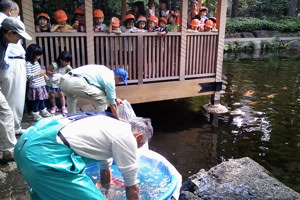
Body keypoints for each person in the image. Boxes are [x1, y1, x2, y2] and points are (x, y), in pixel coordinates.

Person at [14, 112, 153, 200]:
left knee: (49, 193)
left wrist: (105, 192)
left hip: (26, 144)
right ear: (138, 136)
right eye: (139, 146)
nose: (136, 150)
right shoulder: (126, 138)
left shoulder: (111, 125)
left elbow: (105, 168)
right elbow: (132, 187)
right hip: (43, 155)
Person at [0, 17, 32, 163]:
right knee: (6, 112)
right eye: (18, 35)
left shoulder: (4, 42)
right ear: (8, 33)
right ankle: (9, 150)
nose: (19, 38)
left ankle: (7, 148)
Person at [52, 65, 128, 120]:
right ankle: (100, 120)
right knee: (102, 98)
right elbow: (112, 104)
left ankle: (71, 119)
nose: (119, 83)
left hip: (64, 80)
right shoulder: (110, 80)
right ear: (117, 76)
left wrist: (116, 99)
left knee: (71, 98)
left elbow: (101, 90)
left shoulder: (104, 70)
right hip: (76, 82)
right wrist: (118, 118)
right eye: (121, 80)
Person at [0, 1, 26, 136]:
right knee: (11, 101)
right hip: (12, 63)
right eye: (17, 13)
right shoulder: (6, 22)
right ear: (10, 10)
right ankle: (13, 130)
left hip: (9, 63)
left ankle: (12, 130)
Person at [25, 44, 51, 121]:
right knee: (36, 101)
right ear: (32, 54)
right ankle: (35, 114)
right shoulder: (28, 64)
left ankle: (44, 111)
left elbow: (40, 71)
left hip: (41, 84)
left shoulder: (36, 63)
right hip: (35, 86)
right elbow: (29, 76)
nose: (39, 57)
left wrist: (44, 75)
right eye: (38, 55)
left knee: (42, 99)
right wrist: (39, 73)